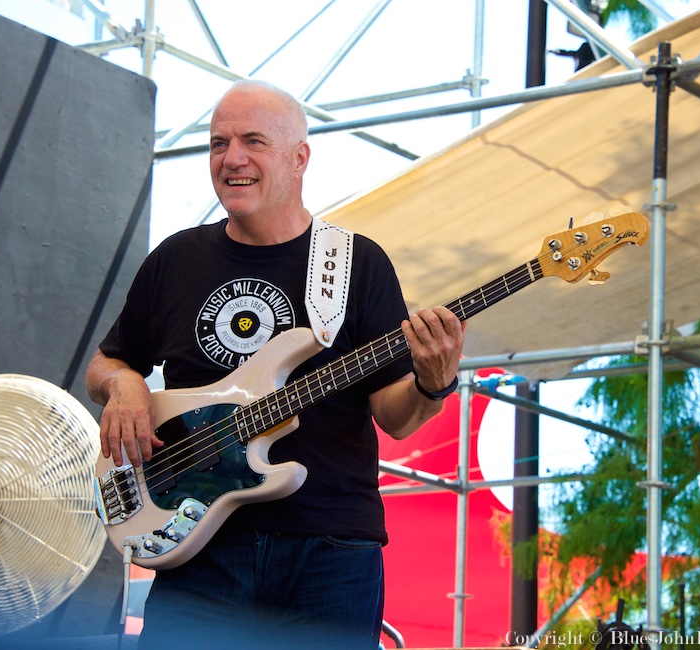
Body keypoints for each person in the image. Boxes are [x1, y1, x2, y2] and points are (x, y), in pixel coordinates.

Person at [85, 79, 465, 649]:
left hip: (328, 551)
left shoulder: (356, 263)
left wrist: (433, 384)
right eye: (218, 143)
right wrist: (124, 384)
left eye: (253, 141)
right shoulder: (176, 259)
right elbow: (106, 362)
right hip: (197, 543)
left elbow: (396, 417)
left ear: (299, 158)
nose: (232, 158)